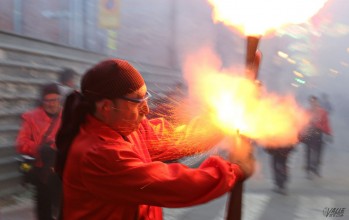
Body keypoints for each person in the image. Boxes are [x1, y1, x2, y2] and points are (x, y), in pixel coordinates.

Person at [55, 59, 257, 220]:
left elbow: (179, 137)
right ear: (106, 107)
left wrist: (227, 115)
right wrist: (232, 170)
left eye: (146, 98)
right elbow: (173, 184)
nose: (146, 109)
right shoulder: (98, 153)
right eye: (137, 101)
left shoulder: (128, 128)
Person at [16, 83, 62, 220]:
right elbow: (21, 143)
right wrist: (39, 148)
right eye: (47, 100)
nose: (51, 104)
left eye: (54, 100)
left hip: (61, 173)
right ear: (42, 101)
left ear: (59, 99)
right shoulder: (31, 118)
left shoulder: (68, 116)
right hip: (41, 173)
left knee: (63, 209)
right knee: (43, 210)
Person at [301, 95, 331, 179]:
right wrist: (301, 133)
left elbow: (326, 123)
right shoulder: (307, 112)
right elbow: (302, 123)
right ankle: (308, 170)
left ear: (317, 103)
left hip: (318, 133)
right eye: (311, 102)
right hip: (309, 133)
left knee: (318, 153)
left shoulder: (322, 112)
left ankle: (316, 169)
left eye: (315, 102)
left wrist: (328, 133)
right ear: (310, 103)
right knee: (308, 152)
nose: (313, 103)